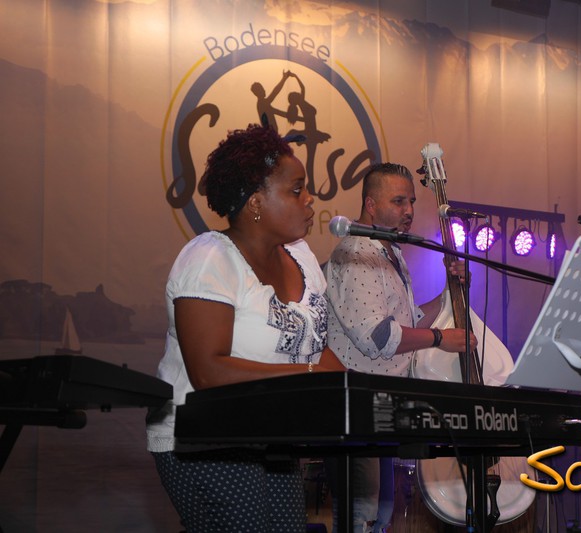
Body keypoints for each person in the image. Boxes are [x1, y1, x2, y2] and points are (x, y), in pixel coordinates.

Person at [145, 124, 345, 532]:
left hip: (271, 434)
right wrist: (310, 377)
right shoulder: (209, 259)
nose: (310, 199)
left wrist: (352, 392)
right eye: (296, 190)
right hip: (205, 439)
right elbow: (209, 371)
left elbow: (314, 348)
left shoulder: (302, 258)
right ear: (256, 202)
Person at [323, 162, 476, 532]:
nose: (409, 210)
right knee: (361, 518)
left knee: (379, 517)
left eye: (411, 201)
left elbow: (408, 324)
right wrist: (440, 338)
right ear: (371, 205)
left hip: (380, 407)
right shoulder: (357, 252)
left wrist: (448, 295)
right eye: (398, 201)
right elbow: (379, 337)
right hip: (355, 408)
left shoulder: (390, 254)